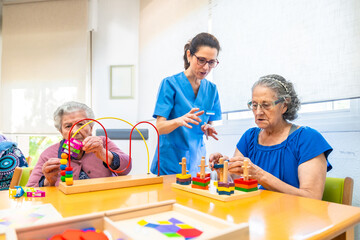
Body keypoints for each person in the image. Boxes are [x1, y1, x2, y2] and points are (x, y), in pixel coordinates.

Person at [210, 74, 333, 200]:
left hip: (293, 216)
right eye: (254, 105)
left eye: (266, 105)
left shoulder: (308, 139)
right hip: (254, 215)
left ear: (284, 105)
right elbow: (238, 182)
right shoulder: (249, 137)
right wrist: (224, 170)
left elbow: (312, 198)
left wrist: (260, 175)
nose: (258, 112)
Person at [151, 32, 222, 176]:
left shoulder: (212, 90)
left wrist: (208, 127)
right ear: (189, 55)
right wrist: (179, 121)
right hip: (171, 161)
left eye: (211, 62)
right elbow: (159, 128)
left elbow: (208, 123)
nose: (206, 67)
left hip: (197, 160)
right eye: (201, 60)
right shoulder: (170, 84)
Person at [27, 101, 131, 187]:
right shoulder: (49, 154)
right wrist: (48, 181)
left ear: (91, 127)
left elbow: (127, 167)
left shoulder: (102, 142)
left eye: (81, 124)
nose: (75, 131)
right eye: (68, 126)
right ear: (61, 132)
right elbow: (29, 191)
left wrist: (104, 153)